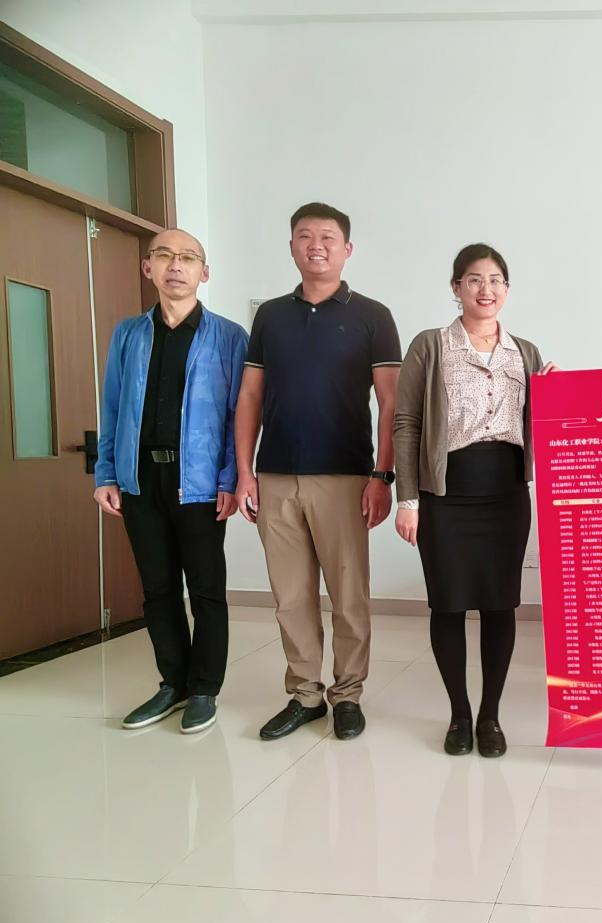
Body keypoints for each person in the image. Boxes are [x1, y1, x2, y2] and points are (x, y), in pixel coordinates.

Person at [235, 202, 401, 742]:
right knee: (290, 596)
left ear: (347, 249)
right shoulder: (270, 316)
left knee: (348, 594)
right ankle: (304, 694)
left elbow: (391, 402)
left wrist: (382, 475)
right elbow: (251, 396)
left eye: (328, 237)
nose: (316, 245)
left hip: (345, 477)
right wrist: (245, 472)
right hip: (276, 476)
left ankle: (347, 694)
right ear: (291, 247)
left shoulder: (373, 315)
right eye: (305, 236)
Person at [393, 243, 556, 757]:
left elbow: (546, 421)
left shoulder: (525, 352)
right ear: (456, 287)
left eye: (495, 280)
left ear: (507, 289)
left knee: (500, 604)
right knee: (448, 602)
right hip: (446, 494)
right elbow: (407, 422)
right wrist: (407, 499)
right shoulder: (430, 345)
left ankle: (490, 716)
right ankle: (459, 715)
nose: (486, 290)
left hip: (506, 493)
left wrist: (557, 393)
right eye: (474, 280)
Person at [94, 229, 247, 734]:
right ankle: (172, 684)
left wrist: (230, 478)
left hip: (200, 483)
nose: (175, 266)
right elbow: (112, 407)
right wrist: (106, 472)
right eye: (164, 256)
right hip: (140, 481)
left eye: (187, 258)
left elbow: (239, 416)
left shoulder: (229, 337)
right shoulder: (128, 334)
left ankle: (204, 689)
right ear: (148, 268)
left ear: (204, 272)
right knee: (158, 590)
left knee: (206, 589)